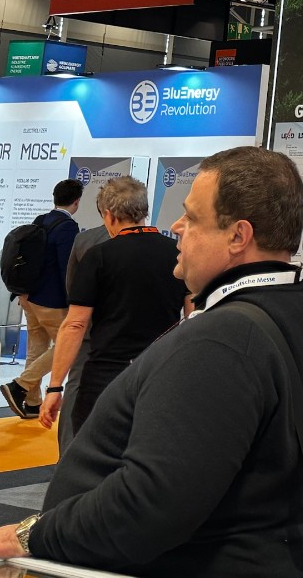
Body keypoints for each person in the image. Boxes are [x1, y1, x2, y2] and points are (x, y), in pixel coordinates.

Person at [0, 145, 303, 575]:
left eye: (193, 217)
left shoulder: (219, 340)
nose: (177, 227)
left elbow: (146, 508)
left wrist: (31, 535)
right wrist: (302, 470)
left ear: (238, 236)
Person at [38, 177, 187, 435]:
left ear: (108, 215)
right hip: (160, 372)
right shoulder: (176, 253)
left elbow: (75, 324)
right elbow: (193, 316)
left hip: (107, 375)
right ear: (143, 210)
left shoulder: (99, 256)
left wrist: (54, 387)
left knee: (94, 448)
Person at [2, 180, 82, 419]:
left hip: (30, 297)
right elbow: (67, 268)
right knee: (67, 346)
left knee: (36, 350)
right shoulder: (68, 227)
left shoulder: (41, 220)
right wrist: (74, 299)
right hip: (51, 301)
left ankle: (32, 403)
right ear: (77, 201)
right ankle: (20, 385)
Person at [56, 187, 112, 453]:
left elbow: (72, 287)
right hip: (131, 334)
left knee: (76, 388)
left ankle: (66, 454)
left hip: (87, 328)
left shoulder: (85, 240)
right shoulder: (158, 243)